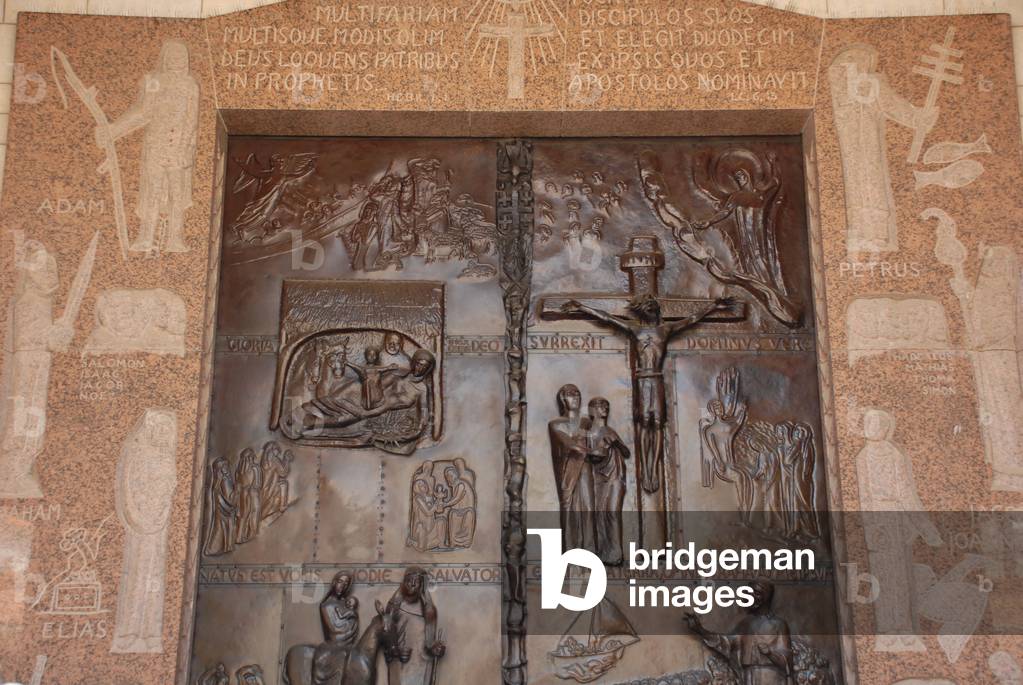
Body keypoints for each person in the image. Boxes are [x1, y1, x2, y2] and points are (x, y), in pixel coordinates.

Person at [561, 295, 732, 493]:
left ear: (657, 310)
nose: (651, 308)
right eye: (647, 306)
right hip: (642, 381)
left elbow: (692, 319)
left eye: (653, 305)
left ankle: (654, 470)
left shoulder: (665, 330)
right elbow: (606, 318)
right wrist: (582, 306)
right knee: (644, 422)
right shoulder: (636, 330)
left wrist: (713, 306)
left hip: (656, 379)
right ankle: (645, 468)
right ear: (641, 310)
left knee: (657, 423)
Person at [98, 40, 199, 253]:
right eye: (172, 55)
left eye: (181, 56)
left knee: (176, 194)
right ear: (165, 57)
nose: (177, 60)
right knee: (152, 191)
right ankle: (145, 237)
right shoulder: (154, 81)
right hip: (156, 144)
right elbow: (143, 112)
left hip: (177, 147)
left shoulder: (190, 85)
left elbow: (191, 120)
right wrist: (114, 130)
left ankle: (175, 239)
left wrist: (184, 149)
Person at [685, 580, 793, 685]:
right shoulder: (746, 624)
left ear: (766, 597)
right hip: (748, 676)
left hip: (771, 677)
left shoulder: (779, 625)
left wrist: (770, 653)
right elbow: (726, 643)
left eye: (756, 593)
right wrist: (701, 630)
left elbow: (787, 662)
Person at [548, 384, 595, 553]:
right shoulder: (555, 424)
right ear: (562, 399)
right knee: (569, 508)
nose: (574, 396)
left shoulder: (587, 422)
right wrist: (588, 449)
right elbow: (569, 444)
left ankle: (589, 552)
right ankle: (569, 551)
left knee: (589, 508)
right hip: (568, 470)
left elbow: (596, 440)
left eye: (577, 393)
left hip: (586, 469)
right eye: (569, 394)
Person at [585, 397, 630, 565]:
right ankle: (604, 551)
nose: (604, 408)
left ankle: (616, 553)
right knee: (600, 513)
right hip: (599, 477)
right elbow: (590, 456)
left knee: (612, 511)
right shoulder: (589, 433)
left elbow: (626, 453)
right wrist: (598, 450)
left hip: (616, 476)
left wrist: (616, 443)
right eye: (599, 405)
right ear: (591, 410)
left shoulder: (609, 430)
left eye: (606, 405)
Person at [386, 567, 445, 685]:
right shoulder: (394, 606)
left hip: (422, 663)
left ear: (422, 585)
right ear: (403, 583)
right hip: (401, 660)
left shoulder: (429, 610)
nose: (412, 584)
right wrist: (396, 651)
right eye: (409, 580)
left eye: (416, 581)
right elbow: (386, 633)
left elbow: (430, 641)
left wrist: (435, 649)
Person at [312, 571, 360, 685]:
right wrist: (348, 627)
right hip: (334, 644)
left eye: (346, 584)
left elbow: (351, 621)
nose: (342, 586)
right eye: (340, 582)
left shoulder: (346, 603)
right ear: (334, 583)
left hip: (347, 642)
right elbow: (333, 631)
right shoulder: (326, 605)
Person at [203, 457, 236, 556]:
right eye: (225, 466)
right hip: (225, 511)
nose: (228, 468)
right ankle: (215, 549)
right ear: (222, 468)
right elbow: (230, 499)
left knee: (220, 528)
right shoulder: (225, 480)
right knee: (222, 529)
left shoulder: (218, 481)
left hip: (221, 510)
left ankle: (217, 548)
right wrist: (238, 491)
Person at [443, 460, 476, 549]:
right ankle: (453, 542)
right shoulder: (455, 485)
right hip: (458, 510)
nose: (448, 480)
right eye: (447, 478)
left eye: (448, 477)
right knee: (452, 514)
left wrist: (445, 504)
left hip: (467, 510)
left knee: (466, 515)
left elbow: (457, 498)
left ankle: (465, 542)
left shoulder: (461, 484)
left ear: (453, 476)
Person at [234, 448, 263, 544]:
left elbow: (237, 485)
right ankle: (251, 535)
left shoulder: (238, 471)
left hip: (242, 494)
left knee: (242, 516)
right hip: (252, 494)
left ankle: (239, 537)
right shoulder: (255, 468)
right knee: (252, 513)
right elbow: (258, 484)